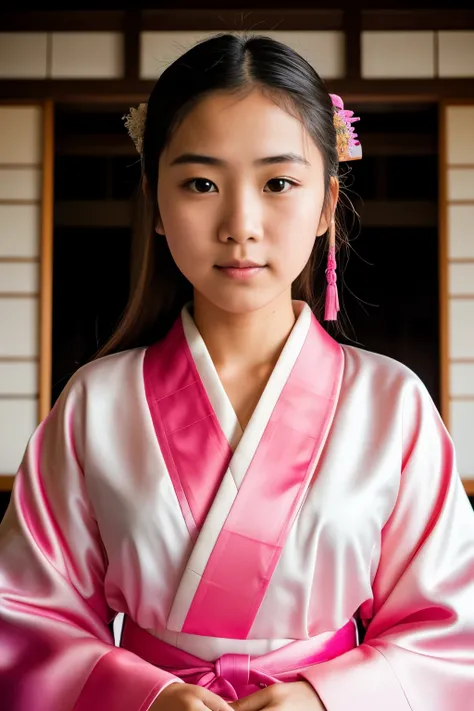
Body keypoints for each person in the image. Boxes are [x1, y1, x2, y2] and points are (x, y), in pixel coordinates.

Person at [0, 33, 473, 711]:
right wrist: (147, 695)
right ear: (155, 201)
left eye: (278, 182)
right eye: (200, 183)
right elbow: (25, 616)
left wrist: (324, 698)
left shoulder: (391, 403)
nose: (240, 223)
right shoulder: (94, 403)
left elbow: (451, 630)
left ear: (326, 203)